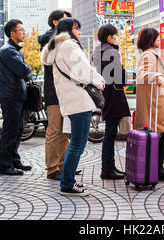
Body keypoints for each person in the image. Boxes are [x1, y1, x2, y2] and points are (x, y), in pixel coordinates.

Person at [41, 17, 105, 197]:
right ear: (68, 29)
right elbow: (84, 71)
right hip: (78, 101)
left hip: (71, 101)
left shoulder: (58, 48)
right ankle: (67, 184)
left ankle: (68, 180)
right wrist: (100, 82)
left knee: (75, 143)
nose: (78, 32)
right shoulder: (69, 46)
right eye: (76, 28)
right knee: (77, 144)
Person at [134, 27, 164, 182]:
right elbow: (141, 75)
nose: (159, 40)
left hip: (157, 101)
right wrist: (156, 75)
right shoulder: (148, 55)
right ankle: (157, 168)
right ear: (151, 39)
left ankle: (157, 167)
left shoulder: (150, 54)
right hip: (154, 103)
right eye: (157, 37)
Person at [92, 23, 130, 180]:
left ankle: (109, 167)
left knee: (110, 132)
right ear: (109, 37)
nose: (117, 38)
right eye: (115, 35)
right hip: (115, 94)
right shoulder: (111, 52)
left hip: (106, 93)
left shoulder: (97, 51)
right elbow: (120, 76)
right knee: (110, 133)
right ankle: (107, 169)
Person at [38, 10, 72, 181]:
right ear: (55, 22)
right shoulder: (50, 41)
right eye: (66, 21)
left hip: (66, 92)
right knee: (54, 129)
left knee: (65, 131)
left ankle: (64, 165)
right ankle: (52, 168)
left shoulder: (66, 41)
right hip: (54, 92)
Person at [0, 19, 33, 175]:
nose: (24, 33)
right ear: (12, 33)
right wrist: (28, 68)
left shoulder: (15, 50)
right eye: (21, 30)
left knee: (18, 130)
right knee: (10, 131)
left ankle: (14, 160)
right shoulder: (8, 51)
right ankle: (5, 165)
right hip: (11, 96)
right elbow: (24, 71)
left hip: (17, 95)